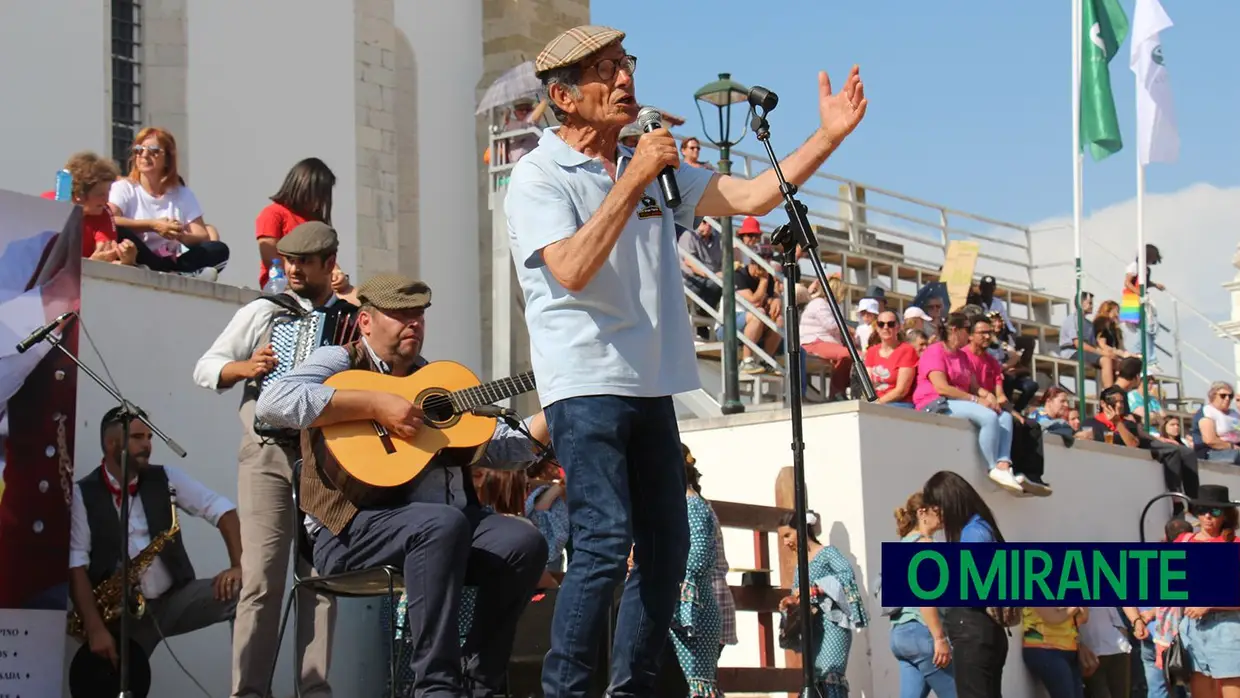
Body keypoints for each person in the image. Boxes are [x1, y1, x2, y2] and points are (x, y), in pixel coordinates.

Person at [505, 23, 867, 697]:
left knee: (668, 552)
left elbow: (755, 196)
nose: (624, 79)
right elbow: (574, 269)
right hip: (585, 383)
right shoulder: (538, 176)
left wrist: (829, 136)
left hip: (651, 384)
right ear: (564, 96)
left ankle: (632, 689)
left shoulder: (656, 166)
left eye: (625, 63)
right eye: (605, 70)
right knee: (605, 545)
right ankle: (566, 690)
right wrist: (634, 175)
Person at [253, 273, 550, 697]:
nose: (413, 324)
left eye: (419, 316)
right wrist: (375, 403)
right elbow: (273, 402)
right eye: (400, 315)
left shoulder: (441, 382)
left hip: (446, 531)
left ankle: (483, 681)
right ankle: (435, 687)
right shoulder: (339, 361)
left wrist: (558, 407)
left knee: (523, 541)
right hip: (352, 532)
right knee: (440, 524)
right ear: (366, 322)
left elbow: (502, 449)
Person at [192, 222, 350, 698]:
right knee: (260, 580)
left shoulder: (351, 317)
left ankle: (314, 690)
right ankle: (249, 692)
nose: (293, 269)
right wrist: (246, 367)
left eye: (303, 261)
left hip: (326, 459)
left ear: (329, 262)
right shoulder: (265, 311)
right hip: (268, 455)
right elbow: (206, 368)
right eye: (288, 261)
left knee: (320, 580)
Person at [68, 406, 241, 664]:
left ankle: (251, 689)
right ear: (111, 443)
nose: (147, 445)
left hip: (173, 601)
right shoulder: (83, 494)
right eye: (138, 438)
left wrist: (238, 565)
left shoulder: (166, 477)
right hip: (118, 616)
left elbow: (222, 509)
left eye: (149, 437)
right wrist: (95, 628)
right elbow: (76, 566)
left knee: (250, 591)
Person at [920, 471, 1009, 698]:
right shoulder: (980, 527)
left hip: (973, 630)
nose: (935, 514)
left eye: (935, 507)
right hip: (984, 631)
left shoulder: (973, 532)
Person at [777, 511, 868, 697]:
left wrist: (816, 589)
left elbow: (846, 576)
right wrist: (790, 601)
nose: (785, 542)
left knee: (830, 675)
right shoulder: (800, 564)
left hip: (833, 624)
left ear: (802, 530)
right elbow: (797, 593)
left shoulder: (828, 553)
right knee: (815, 678)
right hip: (813, 628)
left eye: (788, 535)